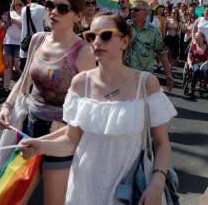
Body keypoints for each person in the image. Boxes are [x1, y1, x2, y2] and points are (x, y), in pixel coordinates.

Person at [17, 12, 177, 205]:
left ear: (124, 42)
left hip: (129, 191)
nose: (97, 41)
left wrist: (157, 183)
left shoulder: (146, 84)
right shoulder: (80, 83)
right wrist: (40, 146)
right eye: (91, 36)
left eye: (106, 35)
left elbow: (162, 142)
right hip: (83, 190)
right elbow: (70, 140)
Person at [0, 0, 95, 205]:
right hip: (29, 127)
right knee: (9, 199)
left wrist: (65, 124)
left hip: (60, 136)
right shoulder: (38, 39)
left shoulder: (84, 52)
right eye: (50, 5)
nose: (53, 12)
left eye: (62, 8)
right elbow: (23, 81)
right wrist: (7, 107)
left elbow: (88, 106)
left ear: (78, 16)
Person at [126, 0, 174, 91]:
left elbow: (162, 54)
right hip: (124, 77)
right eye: (131, 9)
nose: (132, 11)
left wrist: (168, 74)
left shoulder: (154, 32)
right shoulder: (124, 28)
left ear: (145, 12)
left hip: (143, 79)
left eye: (136, 10)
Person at [19, 0, 47, 70]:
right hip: (38, 48)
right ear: (45, 0)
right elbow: (48, 27)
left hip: (25, 47)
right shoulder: (43, 9)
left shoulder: (24, 9)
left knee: (25, 78)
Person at [2, 0, 26, 90]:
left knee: (18, 67)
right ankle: (5, 87)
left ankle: (23, 87)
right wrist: (5, 23)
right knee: (7, 65)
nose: (18, 6)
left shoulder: (26, 14)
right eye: (16, 5)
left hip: (20, 43)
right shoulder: (10, 13)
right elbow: (4, 27)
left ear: (25, 4)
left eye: (20, 4)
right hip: (8, 42)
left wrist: (15, 22)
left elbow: (25, 28)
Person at [186, 31, 208, 97]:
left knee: (207, 69)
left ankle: (205, 85)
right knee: (196, 70)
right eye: (195, 37)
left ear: (202, 38)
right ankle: (192, 88)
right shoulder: (193, 46)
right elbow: (189, 57)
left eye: (197, 37)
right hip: (195, 63)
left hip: (205, 63)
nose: (196, 38)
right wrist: (190, 64)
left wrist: (202, 65)